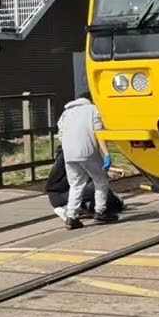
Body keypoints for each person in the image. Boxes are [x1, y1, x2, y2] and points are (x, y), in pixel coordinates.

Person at [56, 92, 116, 229]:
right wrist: (106, 154)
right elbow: (99, 132)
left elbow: (60, 133)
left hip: (69, 154)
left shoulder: (66, 113)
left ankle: (71, 217)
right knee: (101, 181)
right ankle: (100, 212)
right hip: (88, 153)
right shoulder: (94, 110)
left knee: (76, 184)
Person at [45, 148, 123, 220]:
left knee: (114, 202)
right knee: (98, 188)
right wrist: (106, 172)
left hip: (61, 194)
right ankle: (69, 210)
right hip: (61, 195)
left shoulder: (71, 155)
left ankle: (79, 208)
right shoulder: (73, 154)